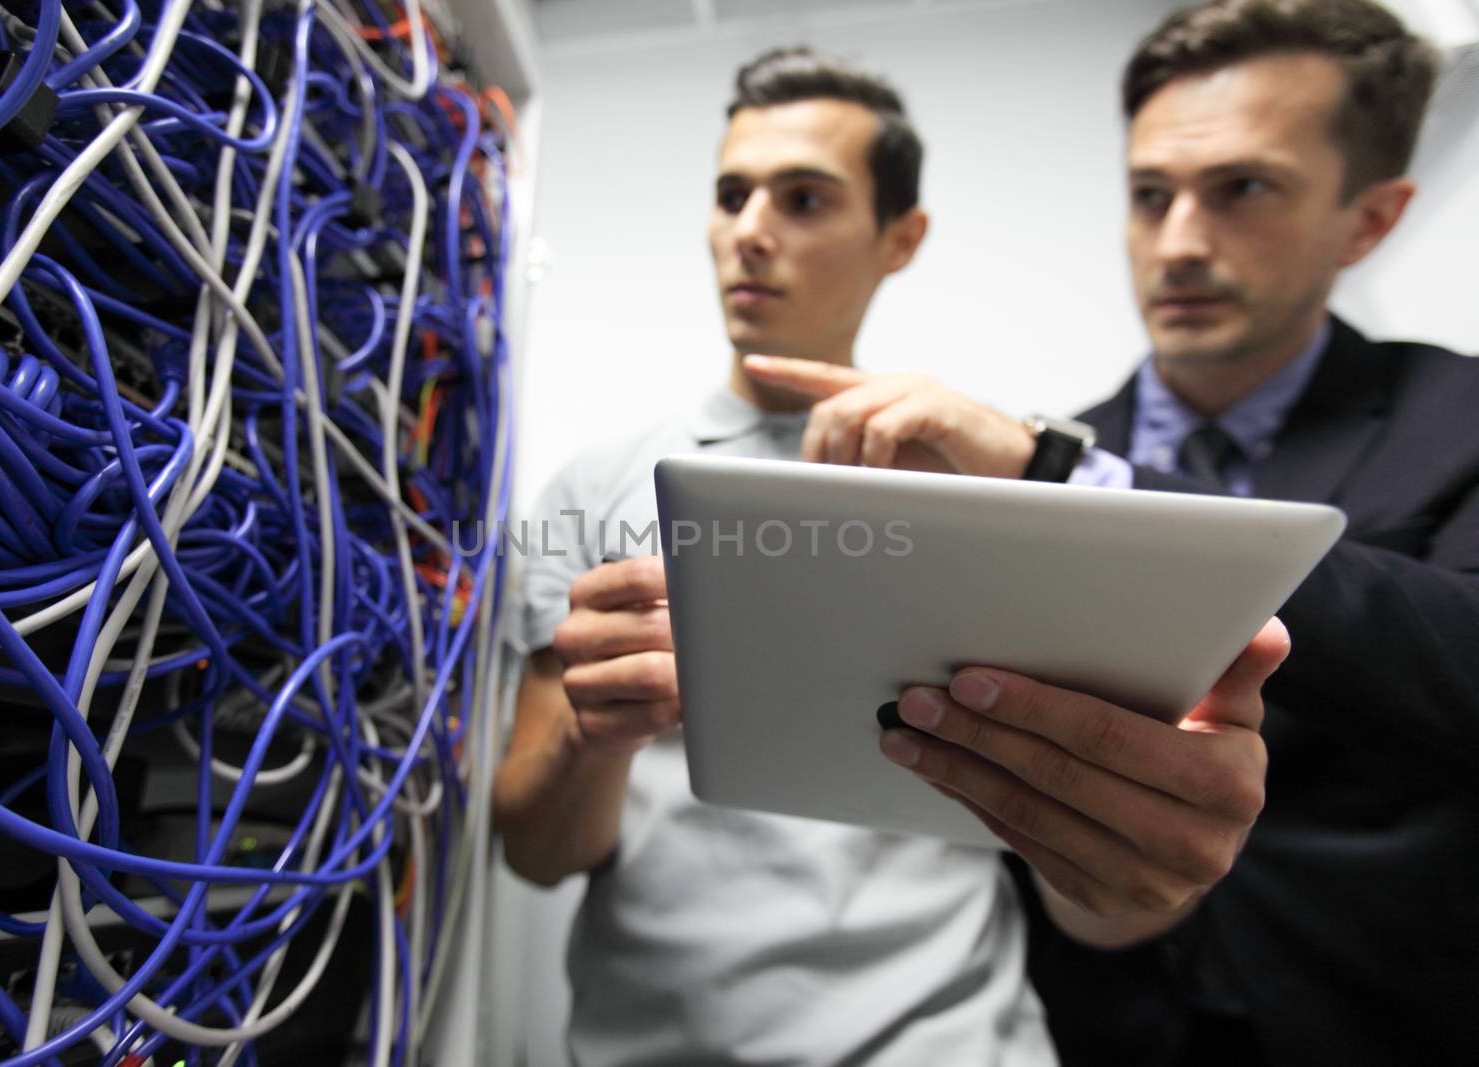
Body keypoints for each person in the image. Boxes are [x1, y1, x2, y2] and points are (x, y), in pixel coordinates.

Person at [494, 48, 1282, 1066]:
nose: (750, 230)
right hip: (655, 1040)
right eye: (731, 194)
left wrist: (1143, 859)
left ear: (898, 238)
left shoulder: (990, 486)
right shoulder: (597, 488)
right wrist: (590, 736)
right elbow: (538, 851)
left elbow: (1094, 872)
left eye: (804, 197)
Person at [744, 3, 1479, 1063]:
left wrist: (1065, 472)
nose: (1178, 241)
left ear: (1368, 218)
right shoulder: (1034, 466)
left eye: (1242, 189)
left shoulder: (1455, 418)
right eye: (1150, 195)